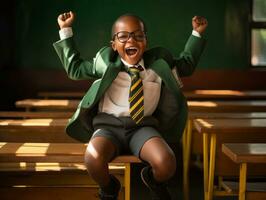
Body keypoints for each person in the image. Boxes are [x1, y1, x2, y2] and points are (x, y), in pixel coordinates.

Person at [53, 11, 207, 200]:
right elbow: (75, 69)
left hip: (142, 128)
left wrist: (197, 33)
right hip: (108, 127)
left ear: (146, 42)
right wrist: (65, 29)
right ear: (114, 45)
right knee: (92, 159)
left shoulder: (159, 65)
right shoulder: (105, 63)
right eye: (123, 36)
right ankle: (109, 188)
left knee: (167, 162)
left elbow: (186, 65)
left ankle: (153, 180)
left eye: (138, 35)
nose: (131, 40)